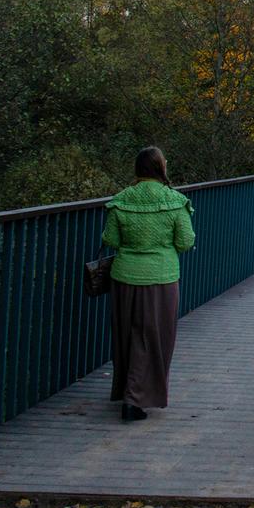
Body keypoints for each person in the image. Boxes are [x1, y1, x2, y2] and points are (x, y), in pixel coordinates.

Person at [101, 146, 195, 422]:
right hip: (161, 279)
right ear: (161, 168)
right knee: (155, 338)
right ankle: (136, 399)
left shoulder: (121, 200)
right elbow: (185, 241)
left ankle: (128, 392)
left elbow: (111, 239)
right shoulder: (175, 201)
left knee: (127, 336)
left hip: (124, 278)